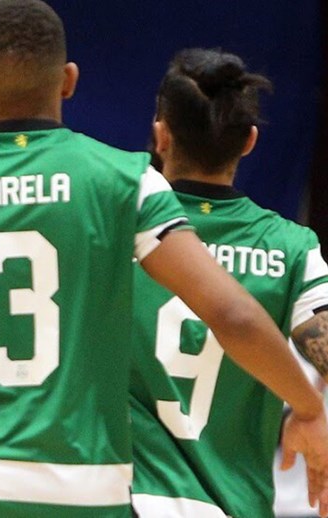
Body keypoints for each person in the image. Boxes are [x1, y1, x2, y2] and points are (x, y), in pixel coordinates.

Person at [0, 1, 328, 516]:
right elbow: (232, 314)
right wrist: (307, 408)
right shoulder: (120, 182)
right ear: (68, 81)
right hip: (82, 482)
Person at [128, 48, 328, 517]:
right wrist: (312, 411)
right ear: (249, 141)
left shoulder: (117, 226)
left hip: (122, 501)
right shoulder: (291, 248)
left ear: (161, 134)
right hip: (229, 506)